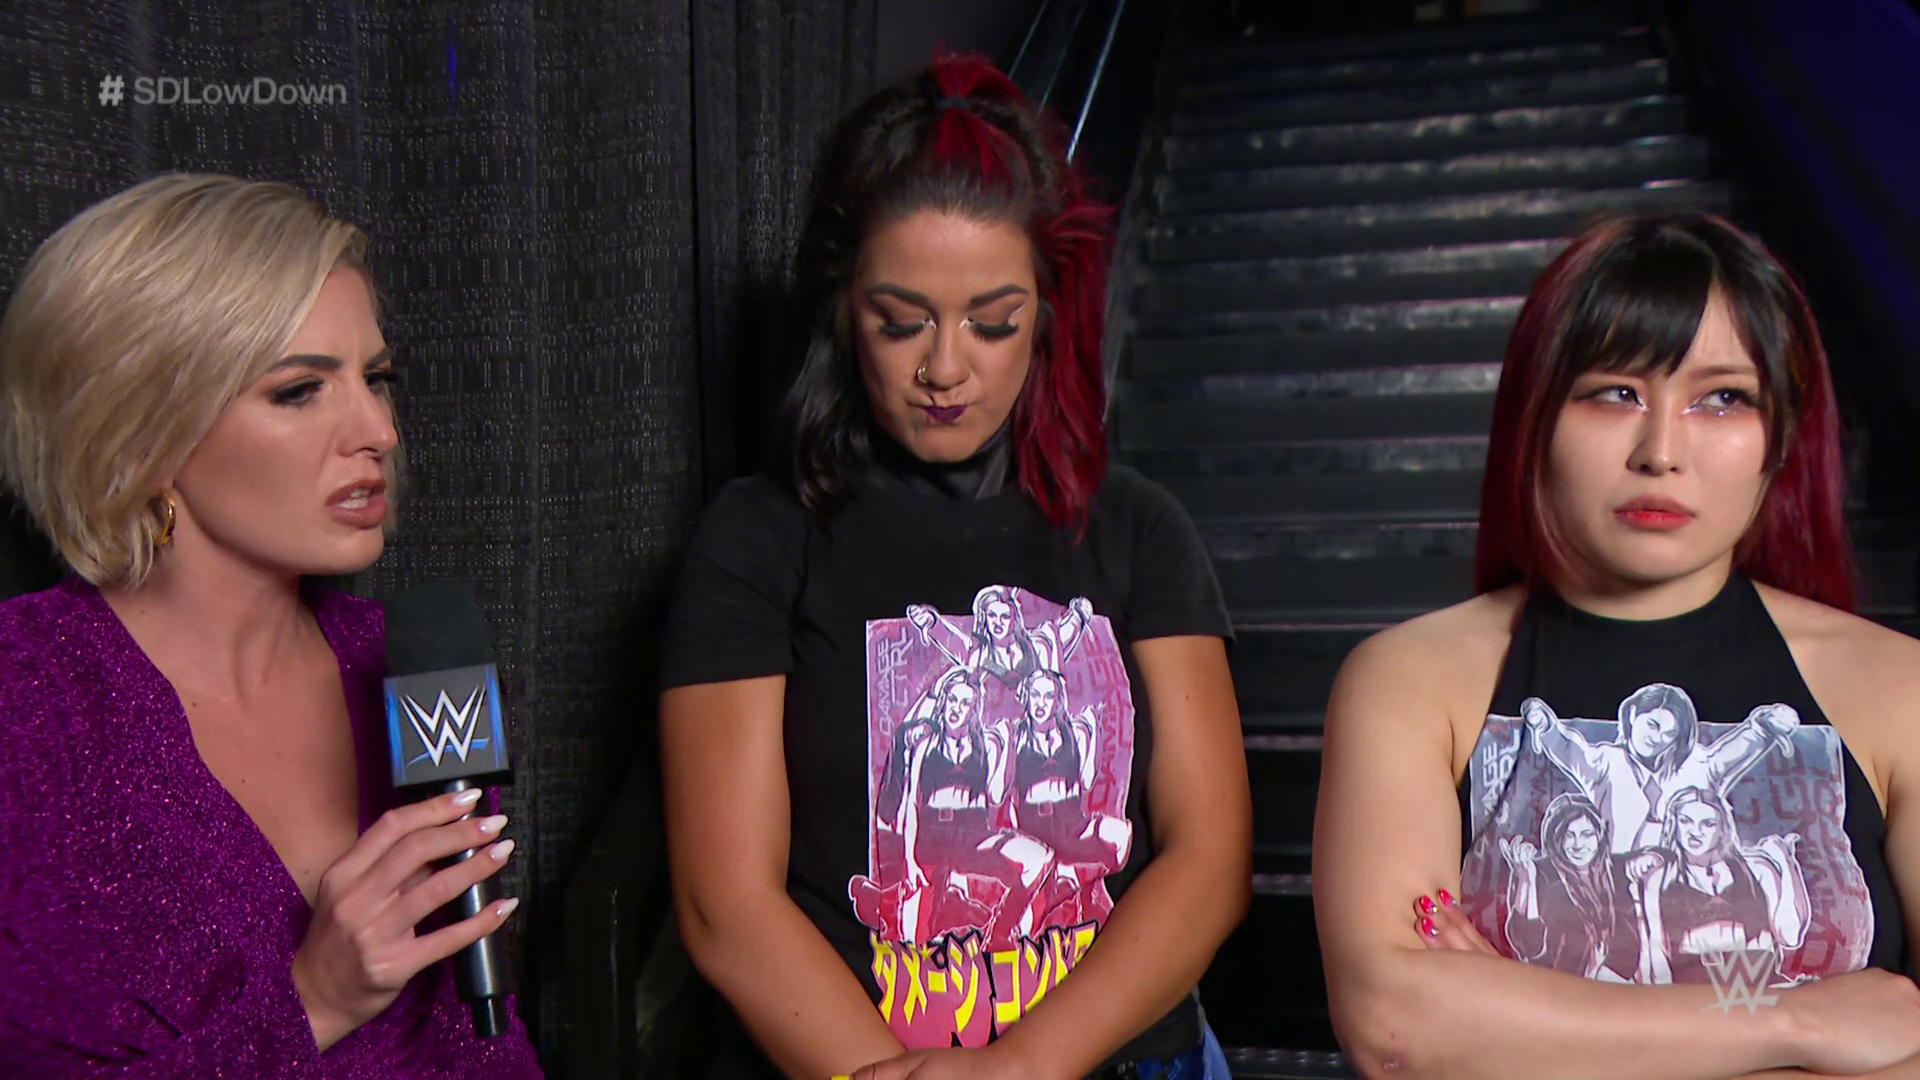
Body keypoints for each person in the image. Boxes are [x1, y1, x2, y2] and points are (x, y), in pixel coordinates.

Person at [658, 54, 1250, 1080]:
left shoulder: (1138, 528)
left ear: (1047, 315)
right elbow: (726, 907)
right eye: (900, 322)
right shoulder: (756, 540)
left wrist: (1018, 1068)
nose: (943, 367)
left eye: (991, 321)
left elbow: (1210, 861)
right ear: (844, 310)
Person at [1314, 212, 1920, 1080]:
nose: (1661, 451)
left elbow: (1453, 1035)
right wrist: (1801, 1016)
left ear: (1781, 438)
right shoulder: (1410, 681)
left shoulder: (1896, 687)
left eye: (1722, 398)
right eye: (1615, 393)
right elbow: (1398, 1027)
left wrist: (1524, 1024)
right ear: (1537, 416)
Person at [0, 174, 544, 1077]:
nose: (377, 431)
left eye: (375, 379)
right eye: (299, 391)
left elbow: (481, 1042)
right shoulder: (27, 701)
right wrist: (315, 1001)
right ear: (141, 434)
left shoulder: (405, 662)